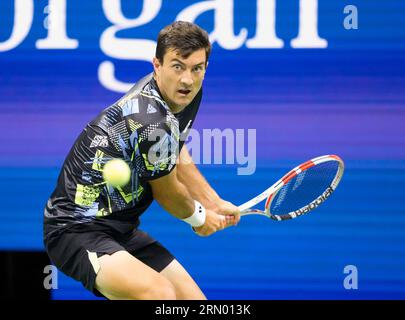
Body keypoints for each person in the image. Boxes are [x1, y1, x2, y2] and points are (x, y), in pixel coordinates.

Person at [43, 21, 240, 300]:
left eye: (197, 68)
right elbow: (168, 192)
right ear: (156, 65)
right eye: (177, 66)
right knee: (159, 295)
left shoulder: (184, 96)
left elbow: (175, 152)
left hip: (121, 228)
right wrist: (199, 218)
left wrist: (213, 201)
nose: (187, 79)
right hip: (76, 229)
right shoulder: (151, 119)